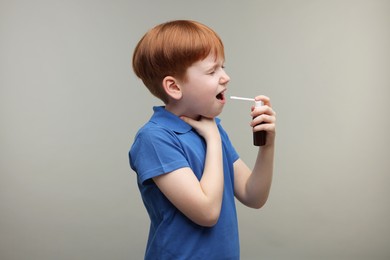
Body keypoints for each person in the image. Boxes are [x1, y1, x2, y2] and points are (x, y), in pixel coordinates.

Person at [129, 20, 276, 260]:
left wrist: (267, 146)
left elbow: (254, 195)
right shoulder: (154, 138)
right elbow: (207, 212)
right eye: (212, 71)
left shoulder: (211, 128)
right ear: (174, 87)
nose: (225, 77)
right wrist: (214, 140)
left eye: (223, 67)